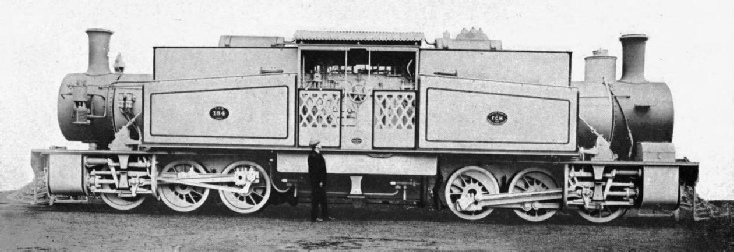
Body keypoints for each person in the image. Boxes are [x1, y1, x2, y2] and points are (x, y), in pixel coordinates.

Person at [308, 139, 332, 222]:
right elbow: (316, 170)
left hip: (319, 181)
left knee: (322, 199)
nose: (320, 145)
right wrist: (320, 181)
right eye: (319, 144)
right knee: (316, 199)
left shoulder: (317, 154)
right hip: (317, 181)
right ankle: (314, 217)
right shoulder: (313, 156)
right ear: (316, 146)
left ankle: (325, 216)